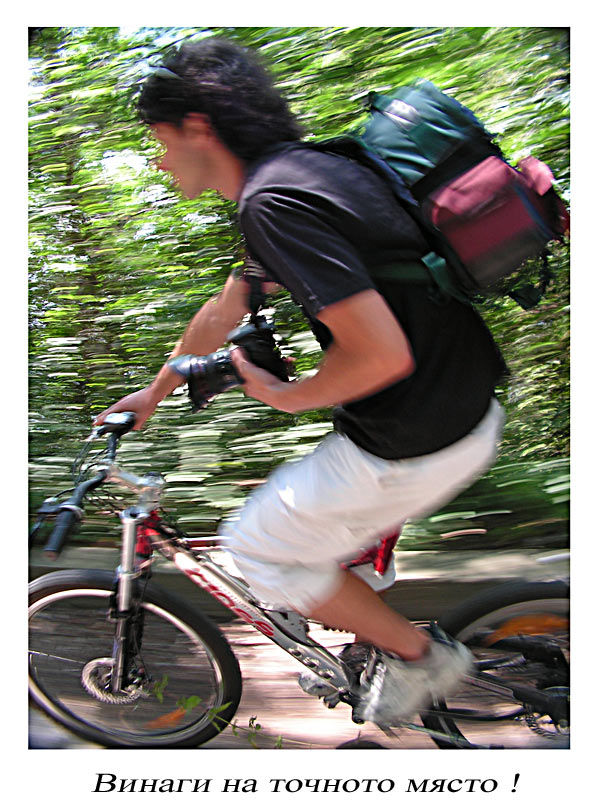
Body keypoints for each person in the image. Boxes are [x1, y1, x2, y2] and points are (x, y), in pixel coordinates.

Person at [95, 38, 507, 726]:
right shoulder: (312, 171)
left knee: (255, 549)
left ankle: (421, 658)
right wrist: (155, 392)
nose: (160, 160)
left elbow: (379, 357)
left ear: (197, 126)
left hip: (414, 438)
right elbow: (225, 309)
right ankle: (370, 641)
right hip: (465, 406)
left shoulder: (273, 202)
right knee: (315, 521)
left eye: (160, 140)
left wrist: (284, 395)